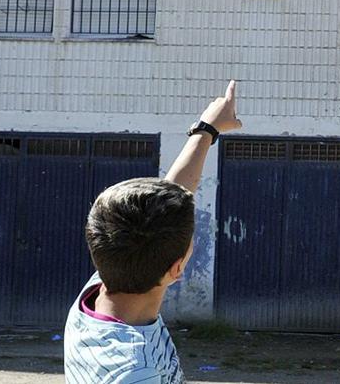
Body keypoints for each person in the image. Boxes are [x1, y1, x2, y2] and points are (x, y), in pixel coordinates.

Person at [64, 81, 242, 384]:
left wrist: (207, 130)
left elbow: (171, 201)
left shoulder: (99, 289)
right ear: (177, 269)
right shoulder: (133, 370)